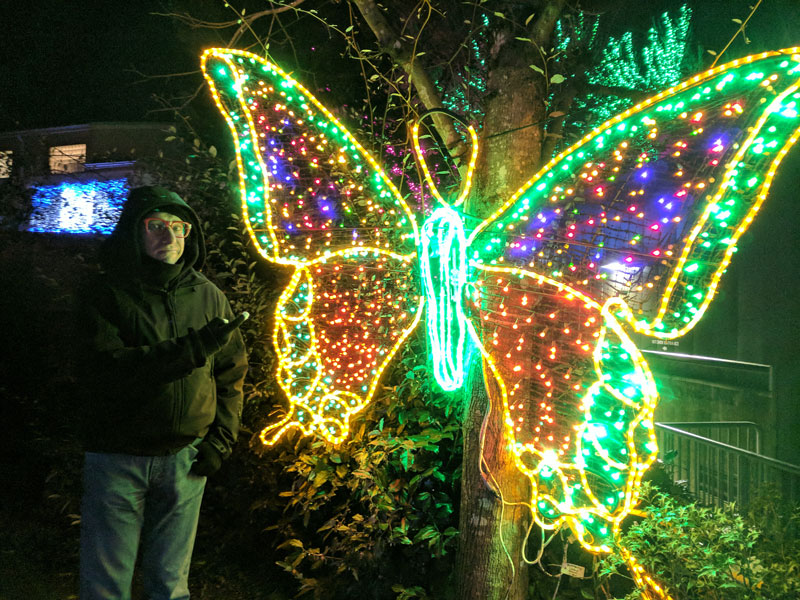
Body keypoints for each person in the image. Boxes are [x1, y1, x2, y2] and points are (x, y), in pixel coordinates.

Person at [78, 186, 248, 600]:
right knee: (106, 586)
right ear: (134, 231)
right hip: (118, 457)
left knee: (171, 585)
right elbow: (109, 369)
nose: (169, 237)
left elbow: (231, 373)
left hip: (183, 461)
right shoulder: (105, 294)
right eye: (156, 226)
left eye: (178, 227)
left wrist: (219, 442)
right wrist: (193, 348)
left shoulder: (208, 295)